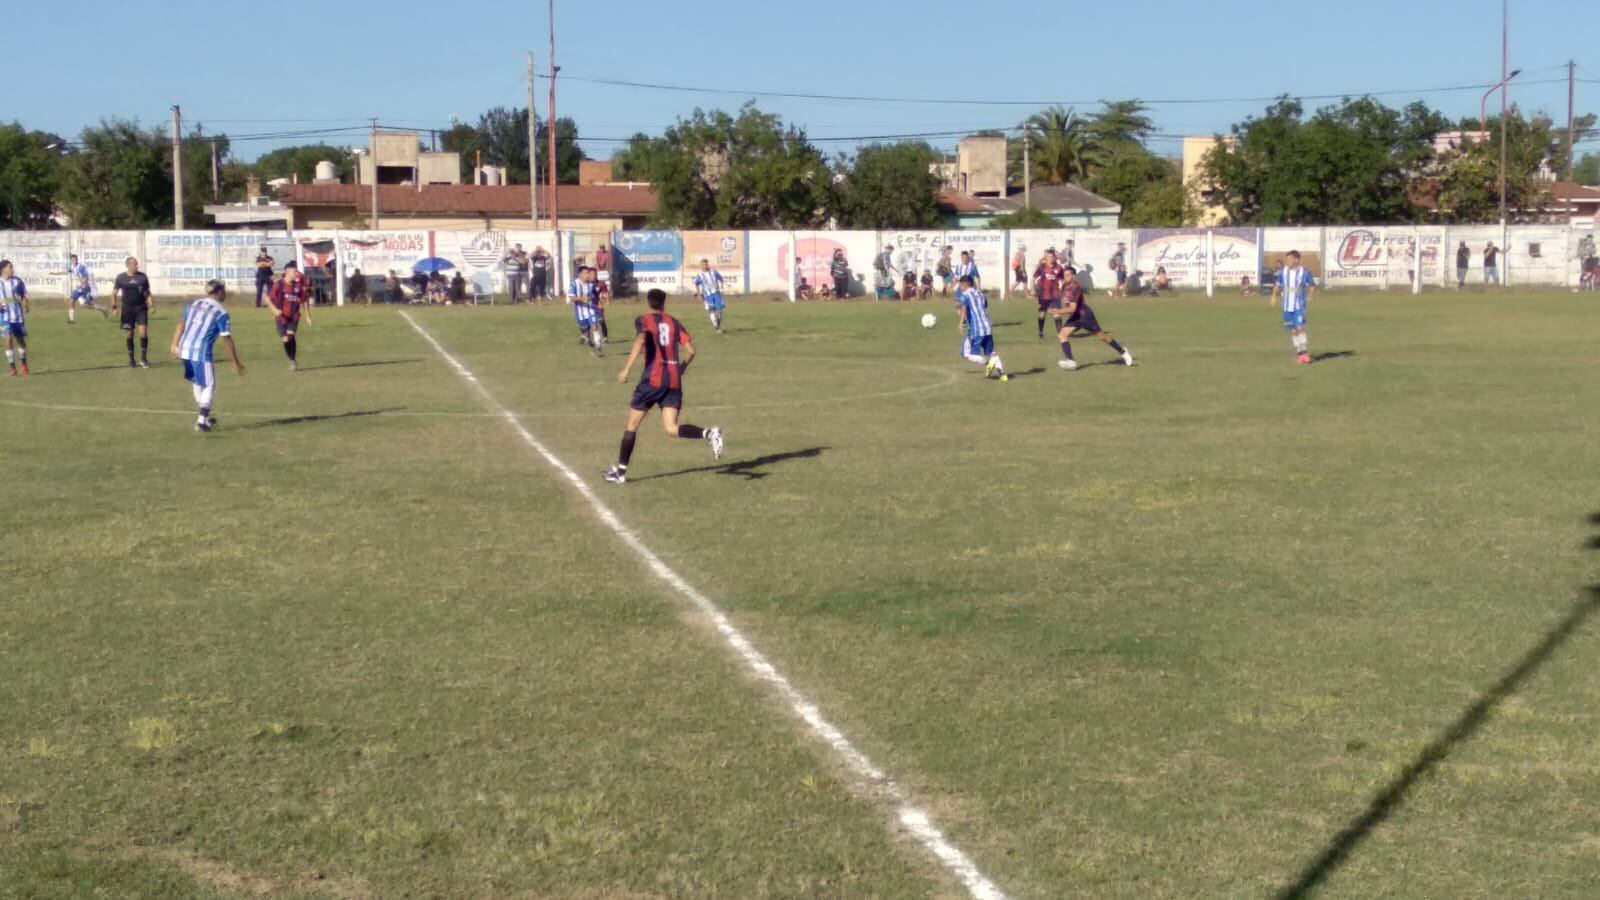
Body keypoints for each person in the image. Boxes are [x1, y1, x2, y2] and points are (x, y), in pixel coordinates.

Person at [603, 288, 724, 485]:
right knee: (671, 428)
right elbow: (691, 351)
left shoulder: (644, 320)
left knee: (632, 425)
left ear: (648, 303)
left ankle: (621, 473)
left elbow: (641, 340)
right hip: (674, 380)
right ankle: (709, 434)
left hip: (652, 379)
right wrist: (681, 368)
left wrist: (626, 369)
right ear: (664, 303)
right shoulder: (674, 322)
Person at [170, 280, 245, 433]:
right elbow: (227, 339)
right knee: (209, 384)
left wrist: (174, 344)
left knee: (198, 382)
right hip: (201, 351)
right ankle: (201, 421)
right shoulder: (221, 312)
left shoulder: (194, 304)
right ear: (218, 291)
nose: (225, 292)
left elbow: (181, 324)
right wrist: (235, 362)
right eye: (223, 290)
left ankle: (205, 417)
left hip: (184, 349)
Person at [1057, 265, 1134, 370]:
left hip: (1085, 316)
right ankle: (1070, 361)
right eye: (1064, 275)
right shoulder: (1064, 287)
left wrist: (1057, 311)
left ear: (1073, 276)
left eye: (1068, 275)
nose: (1065, 277)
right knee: (1062, 334)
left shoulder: (1075, 288)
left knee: (1102, 337)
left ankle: (1123, 352)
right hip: (1075, 316)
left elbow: (1072, 308)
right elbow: (1066, 302)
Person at [956, 274, 1006, 381]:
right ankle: (1002, 375)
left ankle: (989, 363)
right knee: (991, 352)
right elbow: (984, 307)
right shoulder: (980, 294)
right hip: (987, 326)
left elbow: (963, 310)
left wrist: (961, 323)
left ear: (963, 285)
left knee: (966, 353)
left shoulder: (964, 295)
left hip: (976, 328)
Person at [267, 261, 314, 370]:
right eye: (294, 272)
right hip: (281, 317)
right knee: (285, 339)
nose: (296, 274)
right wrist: (274, 309)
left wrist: (308, 316)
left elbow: (304, 301)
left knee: (290, 335)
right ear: (288, 273)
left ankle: (293, 361)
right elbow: (267, 298)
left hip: (293, 316)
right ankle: (292, 359)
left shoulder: (297, 287)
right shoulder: (279, 285)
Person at [1272, 249, 1316, 365]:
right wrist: (1274, 296)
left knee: (1300, 328)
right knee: (1292, 330)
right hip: (1286, 307)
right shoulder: (1283, 271)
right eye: (1287, 259)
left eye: (1290, 259)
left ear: (1296, 260)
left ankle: (1305, 353)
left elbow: (1312, 285)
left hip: (1299, 306)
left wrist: (1310, 295)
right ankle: (1299, 354)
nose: (1287, 261)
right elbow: (1277, 284)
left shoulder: (1304, 272)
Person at [112, 256, 154, 369]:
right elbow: (114, 293)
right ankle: (131, 359)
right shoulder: (121, 278)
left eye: (137, 264)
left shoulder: (142, 277)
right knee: (130, 334)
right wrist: (114, 307)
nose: (137, 266)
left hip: (141, 307)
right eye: (135, 264)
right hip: (127, 309)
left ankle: (144, 359)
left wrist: (151, 305)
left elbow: (147, 292)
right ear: (129, 266)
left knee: (143, 332)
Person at [54, 254, 106, 323]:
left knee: (87, 305)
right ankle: (71, 320)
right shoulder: (72, 266)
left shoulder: (81, 267)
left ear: (77, 260)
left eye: (75, 259)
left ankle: (102, 309)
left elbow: (86, 278)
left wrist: (81, 285)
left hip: (85, 287)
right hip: (79, 287)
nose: (74, 261)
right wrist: (55, 273)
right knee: (72, 301)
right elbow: (66, 272)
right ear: (71, 260)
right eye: (72, 260)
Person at [1, 261, 30, 376]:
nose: (12, 269)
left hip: (17, 315)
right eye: (10, 267)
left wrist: (26, 305)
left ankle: (23, 363)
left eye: (12, 267)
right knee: (8, 339)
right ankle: (12, 367)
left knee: (20, 340)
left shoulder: (17, 281)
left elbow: (23, 296)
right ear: (3, 269)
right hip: (3, 315)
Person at [1032, 248, 1067, 339]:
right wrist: (1032, 289)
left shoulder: (1059, 267)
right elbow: (1033, 278)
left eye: (1052, 257)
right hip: (1043, 294)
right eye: (1048, 257)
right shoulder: (1042, 267)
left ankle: (1060, 334)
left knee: (1057, 313)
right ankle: (1041, 331)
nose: (1050, 258)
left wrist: (1065, 291)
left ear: (1055, 257)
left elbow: (1063, 280)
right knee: (1042, 314)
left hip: (1055, 294)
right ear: (1046, 258)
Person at [571, 266, 603, 355]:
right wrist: (581, 298)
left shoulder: (591, 285)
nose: (588, 275)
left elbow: (595, 295)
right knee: (585, 330)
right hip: (580, 312)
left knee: (595, 327)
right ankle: (586, 337)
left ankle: (599, 346)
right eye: (586, 273)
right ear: (580, 274)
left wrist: (599, 303)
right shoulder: (574, 284)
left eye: (588, 273)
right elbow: (571, 298)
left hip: (591, 309)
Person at [694, 258, 728, 332]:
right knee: (711, 310)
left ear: (707, 264)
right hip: (707, 296)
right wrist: (699, 295)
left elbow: (721, 278)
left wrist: (722, 286)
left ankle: (718, 324)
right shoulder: (699, 275)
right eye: (703, 264)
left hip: (716, 293)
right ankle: (716, 327)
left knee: (720, 311)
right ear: (701, 265)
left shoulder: (713, 272)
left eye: (706, 264)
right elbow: (696, 284)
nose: (705, 266)